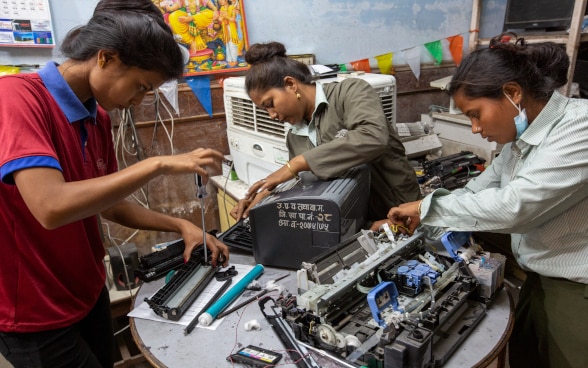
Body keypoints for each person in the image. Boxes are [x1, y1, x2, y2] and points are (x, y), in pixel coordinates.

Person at [0, 1, 229, 367]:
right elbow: (51, 207)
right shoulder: (16, 98)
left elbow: (106, 202)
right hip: (35, 309)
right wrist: (158, 164)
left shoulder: (98, 116)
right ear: (106, 58)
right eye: (140, 86)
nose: (137, 101)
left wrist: (182, 225)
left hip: (86, 292)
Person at [385, 33, 588, 368]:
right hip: (538, 276)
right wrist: (424, 221)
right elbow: (474, 192)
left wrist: (425, 207)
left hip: (576, 291)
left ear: (512, 93)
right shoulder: (519, 144)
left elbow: (515, 207)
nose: (476, 129)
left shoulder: (578, 127)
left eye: (475, 114)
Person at [230, 41, 421, 224]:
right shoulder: (294, 136)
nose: (271, 115)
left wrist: (296, 164)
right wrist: (262, 197)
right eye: (265, 111)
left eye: (270, 104)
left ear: (290, 84)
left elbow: (373, 137)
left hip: (401, 212)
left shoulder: (350, 92)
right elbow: (301, 181)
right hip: (358, 224)